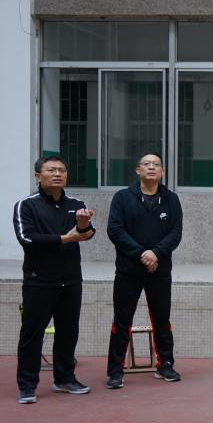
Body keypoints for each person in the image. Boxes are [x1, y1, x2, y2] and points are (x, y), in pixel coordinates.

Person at [13, 156, 96, 404]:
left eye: (62, 170)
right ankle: (27, 385)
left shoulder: (76, 204)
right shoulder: (26, 205)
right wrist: (65, 238)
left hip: (71, 281)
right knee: (32, 334)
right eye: (51, 170)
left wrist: (83, 225)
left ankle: (65, 378)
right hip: (39, 281)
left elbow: (87, 233)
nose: (57, 174)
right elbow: (26, 238)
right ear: (38, 176)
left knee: (68, 332)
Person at [105, 153, 183, 388]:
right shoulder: (122, 197)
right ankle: (115, 370)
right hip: (128, 270)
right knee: (122, 320)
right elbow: (115, 230)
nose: (151, 167)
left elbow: (175, 233)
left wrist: (156, 253)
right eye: (146, 164)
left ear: (162, 172)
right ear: (137, 170)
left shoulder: (171, 199)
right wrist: (142, 253)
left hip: (159, 270)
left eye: (156, 165)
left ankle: (165, 364)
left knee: (162, 320)